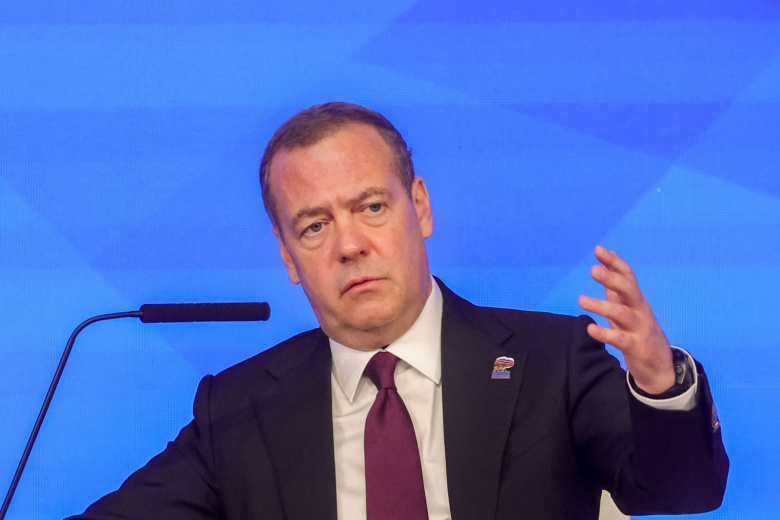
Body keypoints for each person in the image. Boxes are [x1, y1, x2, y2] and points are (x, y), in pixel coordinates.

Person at [68, 102, 728, 519]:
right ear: (288, 256)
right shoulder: (239, 409)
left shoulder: (552, 361)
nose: (350, 244)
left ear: (421, 207)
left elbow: (682, 493)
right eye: (314, 226)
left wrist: (658, 384)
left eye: (371, 207)